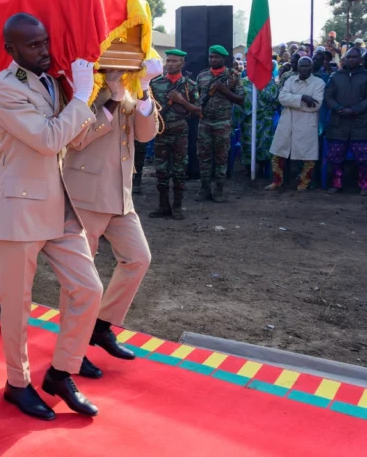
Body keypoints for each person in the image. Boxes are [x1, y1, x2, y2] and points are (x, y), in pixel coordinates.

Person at [0, 13, 103, 420]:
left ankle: (61, 372)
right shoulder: (3, 87)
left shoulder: (52, 81)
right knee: (17, 306)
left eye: (45, 42)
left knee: (88, 290)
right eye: (33, 45)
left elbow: (74, 137)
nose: (44, 50)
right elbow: (49, 139)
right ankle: (17, 383)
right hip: (21, 208)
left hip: (58, 203)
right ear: (11, 50)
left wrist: (107, 97)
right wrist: (80, 100)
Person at [64, 64, 158, 373]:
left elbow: (146, 135)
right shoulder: (83, 85)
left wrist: (142, 88)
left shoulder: (133, 86)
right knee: (80, 277)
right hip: (86, 193)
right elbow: (76, 140)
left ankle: (100, 326)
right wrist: (113, 99)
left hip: (120, 195)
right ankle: (71, 352)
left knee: (138, 258)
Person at [149, 49, 200, 219]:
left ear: (182, 64)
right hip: (161, 132)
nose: (169, 64)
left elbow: (199, 111)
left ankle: (177, 207)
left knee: (179, 171)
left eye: (174, 61)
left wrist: (181, 100)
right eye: (168, 60)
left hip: (180, 132)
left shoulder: (189, 85)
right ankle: (163, 206)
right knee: (161, 171)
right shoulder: (155, 84)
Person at [265, 57, 324, 192]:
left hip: (306, 124)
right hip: (287, 122)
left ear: (311, 66)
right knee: (278, 153)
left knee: (308, 156)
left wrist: (292, 102)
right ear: (297, 67)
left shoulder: (319, 83)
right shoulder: (290, 80)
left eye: (306, 66)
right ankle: (276, 181)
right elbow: (281, 98)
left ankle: (304, 183)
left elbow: (316, 105)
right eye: (301, 66)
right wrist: (303, 98)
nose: (304, 68)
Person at [195, 45, 244, 201]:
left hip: (223, 123)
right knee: (204, 157)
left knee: (221, 157)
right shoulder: (202, 76)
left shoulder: (233, 76)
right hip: (205, 122)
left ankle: (219, 190)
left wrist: (224, 90)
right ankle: (205, 189)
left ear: (224, 59)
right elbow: (196, 99)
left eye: (216, 57)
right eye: (211, 57)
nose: (213, 60)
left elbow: (241, 100)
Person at [324, 47, 367, 195]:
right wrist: (338, 108)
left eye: (354, 57)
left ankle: (364, 185)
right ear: (344, 59)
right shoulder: (336, 76)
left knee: (363, 157)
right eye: (348, 57)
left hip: (360, 123)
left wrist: (355, 109)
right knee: (335, 157)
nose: (351, 60)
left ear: (360, 59)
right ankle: (337, 184)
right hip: (339, 123)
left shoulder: (365, 76)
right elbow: (328, 96)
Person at [238, 74, 278, 177]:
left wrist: (260, 87)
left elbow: (274, 98)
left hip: (265, 119)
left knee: (264, 144)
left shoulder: (269, 81)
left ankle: (262, 169)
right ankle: (248, 169)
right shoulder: (244, 81)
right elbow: (239, 100)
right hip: (248, 119)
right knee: (248, 144)